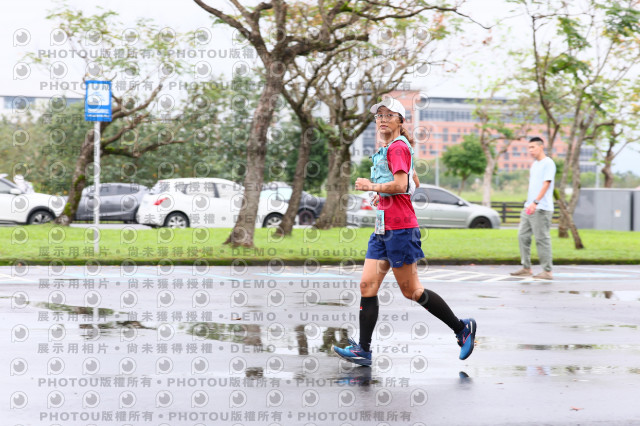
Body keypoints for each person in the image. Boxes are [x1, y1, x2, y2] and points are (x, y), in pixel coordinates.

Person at [332, 97, 477, 366]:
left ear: (400, 121)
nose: (383, 119)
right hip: (382, 229)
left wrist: (372, 187)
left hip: (400, 229)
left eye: (389, 115)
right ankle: (364, 350)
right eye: (379, 115)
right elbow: (413, 181)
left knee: (412, 291)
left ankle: (461, 328)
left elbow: (401, 185)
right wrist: (383, 194)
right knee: (367, 286)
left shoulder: (398, 147)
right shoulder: (390, 148)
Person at [510, 136, 556, 280]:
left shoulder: (548, 163)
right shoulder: (535, 164)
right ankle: (526, 268)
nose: (530, 150)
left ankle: (547, 271)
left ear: (541, 147)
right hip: (529, 207)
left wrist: (536, 202)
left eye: (532, 147)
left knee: (542, 239)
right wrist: (530, 203)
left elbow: (546, 184)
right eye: (529, 148)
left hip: (541, 208)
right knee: (522, 236)